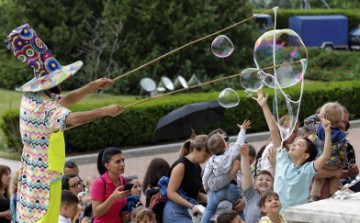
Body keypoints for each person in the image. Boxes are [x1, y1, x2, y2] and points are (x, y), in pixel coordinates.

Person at [5, 24, 125, 223]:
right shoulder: (44, 107)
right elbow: (73, 117)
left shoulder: (33, 97)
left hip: (36, 173)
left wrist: (94, 85)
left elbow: (66, 100)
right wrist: (105, 111)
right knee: (42, 218)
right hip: (43, 177)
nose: (61, 83)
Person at [255, 88, 332, 213]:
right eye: (295, 143)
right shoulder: (282, 158)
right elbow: (274, 130)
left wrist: (327, 132)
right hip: (278, 217)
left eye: (299, 144)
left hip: (298, 217)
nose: (294, 145)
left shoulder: (307, 170)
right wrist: (264, 105)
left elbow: (325, 155)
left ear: (305, 155)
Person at [201, 120, 251, 223]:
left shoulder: (212, 161)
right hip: (232, 190)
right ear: (225, 145)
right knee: (238, 213)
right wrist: (242, 129)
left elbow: (206, 177)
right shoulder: (232, 154)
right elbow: (239, 142)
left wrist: (205, 186)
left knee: (209, 210)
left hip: (219, 195)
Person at [304, 102, 348, 201]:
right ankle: (334, 195)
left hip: (321, 162)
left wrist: (317, 117)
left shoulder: (319, 129)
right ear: (340, 118)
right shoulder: (341, 135)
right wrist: (343, 164)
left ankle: (314, 196)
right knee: (334, 179)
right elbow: (342, 151)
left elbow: (306, 123)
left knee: (318, 180)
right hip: (335, 164)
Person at [162, 134, 210, 223]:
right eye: (205, 155)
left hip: (189, 210)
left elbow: (194, 193)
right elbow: (171, 193)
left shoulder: (197, 167)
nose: (206, 159)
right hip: (175, 211)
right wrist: (191, 206)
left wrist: (211, 199)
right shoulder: (181, 165)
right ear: (195, 150)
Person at [91, 147, 131, 223]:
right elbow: (96, 212)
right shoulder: (99, 182)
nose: (122, 164)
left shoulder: (122, 180)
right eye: (118, 161)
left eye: (123, 160)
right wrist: (113, 197)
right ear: (107, 166)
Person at [240, 143, 274, 223]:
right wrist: (244, 156)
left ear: (273, 184)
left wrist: (274, 164)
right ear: (254, 185)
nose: (264, 181)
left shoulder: (275, 197)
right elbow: (245, 175)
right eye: (260, 179)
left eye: (268, 180)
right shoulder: (251, 195)